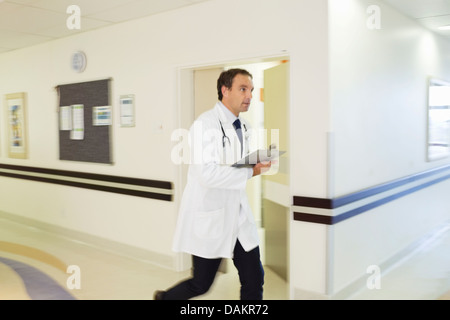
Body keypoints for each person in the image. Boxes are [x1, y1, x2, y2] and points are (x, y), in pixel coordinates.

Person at [154, 68, 271, 300]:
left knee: (254, 277)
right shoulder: (204, 125)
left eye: (251, 90)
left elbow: (235, 164)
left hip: (238, 215)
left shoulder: (243, 126)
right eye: (243, 89)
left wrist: (254, 163)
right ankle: (164, 299)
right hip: (213, 214)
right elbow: (207, 174)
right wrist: (250, 172)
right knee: (201, 284)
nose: (249, 96)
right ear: (224, 90)